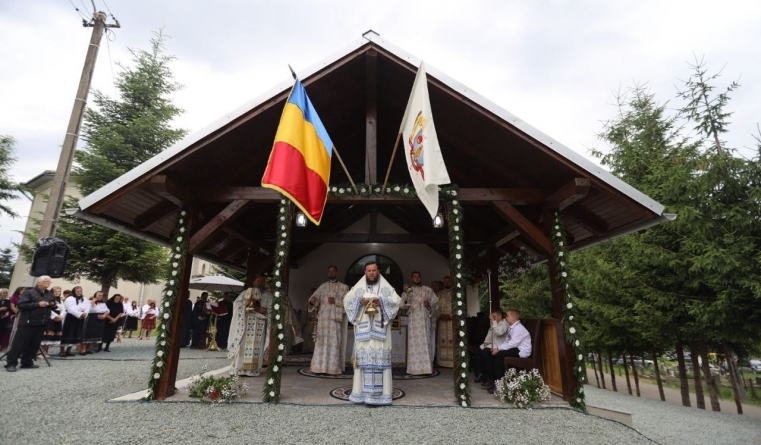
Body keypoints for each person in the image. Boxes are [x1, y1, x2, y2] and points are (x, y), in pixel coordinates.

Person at [344, 261, 402, 406]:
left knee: (380, 361)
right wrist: (359, 302)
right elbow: (346, 300)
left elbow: (397, 301)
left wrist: (381, 301)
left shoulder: (385, 287)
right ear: (365, 272)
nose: (371, 273)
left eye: (374, 270)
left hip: (380, 332)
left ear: (378, 271)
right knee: (363, 362)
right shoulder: (358, 287)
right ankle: (360, 394)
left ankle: (383, 396)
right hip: (363, 332)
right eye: (369, 270)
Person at [4, 276, 54, 372]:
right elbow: (21, 305)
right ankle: (11, 363)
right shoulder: (29, 293)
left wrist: (52, 303)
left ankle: (27, 362)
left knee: (34, 344)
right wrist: (37, 304)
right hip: (28, 322)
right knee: (19, 344)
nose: (49, 283)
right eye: (47, 281)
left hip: (41, 322)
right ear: (39, 283)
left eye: (49, 281)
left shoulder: (48, 293)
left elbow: (50, 303)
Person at [308, 265, 349, 375]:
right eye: (329, 271)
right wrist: (312, 301)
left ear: (336, 272)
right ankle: (318, 367)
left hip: (335, 321)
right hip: (323, 320)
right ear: (327, 273)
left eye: (333, 271)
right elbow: (314, 298)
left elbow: (348, 304)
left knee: (334, 342)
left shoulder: (343, 287)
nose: (331, 273)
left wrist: (336, 301)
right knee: (321, 342)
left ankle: (333, 368)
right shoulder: (323, 286)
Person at [227, 275, 272, 376]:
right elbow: (236, 304)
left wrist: (266, 310)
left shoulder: (268, 295)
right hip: (245, 326)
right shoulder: (245, 293)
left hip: (259, 326)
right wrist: (247, 302)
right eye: (258, 281)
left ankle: (253, 369)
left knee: (257, 346)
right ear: (254, 281)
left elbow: (272, 309)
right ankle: (239, 368)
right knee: (242, 346)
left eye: (262, 281)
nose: (260, 283)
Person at [483, 308, 532, 393]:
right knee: (492, 352)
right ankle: (494, 379)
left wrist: (498, 349)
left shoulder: (518, 328)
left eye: (507, 316)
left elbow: (513, 343)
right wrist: (497, 348)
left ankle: (500, 384)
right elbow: (507, 341)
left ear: (513, 318)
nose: (506, 317)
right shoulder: (512, 328)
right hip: (515, 349)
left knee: (499, 355)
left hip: (521, 351)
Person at [400, 271, 438, 375]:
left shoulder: (428, 290)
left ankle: (427, 368)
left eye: (418, 276)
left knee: (426, 342)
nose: (416, 278)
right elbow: (401, 304)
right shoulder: (408, 291)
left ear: (420, 278)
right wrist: (408, 301)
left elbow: (436, 302)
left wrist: (429, 303)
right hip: (414, 320)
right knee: (414, 343)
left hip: (425, 320)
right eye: (414, 277)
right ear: (412, 279)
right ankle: (414, 368)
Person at [472, 310, 509, 383]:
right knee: (479, 349)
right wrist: (486, 341)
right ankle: (481, 372)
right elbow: (490, 333)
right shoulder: (494, 323)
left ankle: (490, 375)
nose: (493, 318)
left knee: (486, 352)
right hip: (492, 343)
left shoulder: (504, 324)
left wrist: (493, 321)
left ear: (500, 316)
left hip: (499, 345)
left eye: (494, 316)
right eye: (492, 317)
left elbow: (499, 333)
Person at [61, 286, 88, 357]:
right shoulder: (70, 299)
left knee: (75, 333)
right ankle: (62, 351)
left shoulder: (84, 299)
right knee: (67, 332)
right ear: (74, 292)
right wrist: (79, 314)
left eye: (80, 291)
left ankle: (68, 350)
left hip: (81, 317)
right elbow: (70, 309)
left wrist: (85, 313)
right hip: (71, 317)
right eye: (77, 291)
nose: (79, 293)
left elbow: (88, 307)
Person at [40, 286, 64, 358]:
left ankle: (46, 351)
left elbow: (63, 309)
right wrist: (55, 316)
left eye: (58, 291)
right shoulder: (49, 299)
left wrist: (61, 316)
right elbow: (48, 309)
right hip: (51, 318)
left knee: (52, 335)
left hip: (58, 318)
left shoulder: (60, 300)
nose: (57, 293)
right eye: (55, 291)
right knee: (47, 335)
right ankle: (42, 352)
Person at [435, 275, 454, 368]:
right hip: (442, 320)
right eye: (445, 281)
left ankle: (452, 362)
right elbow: (436, 307)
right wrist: (440, 315)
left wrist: (450, 315)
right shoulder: (439, 294)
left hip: (452, 321)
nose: (447, 282)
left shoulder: (455, 294)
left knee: (452, 340)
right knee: (442, 340)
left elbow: (459, 307)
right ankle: (442, 362)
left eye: (448, 281)